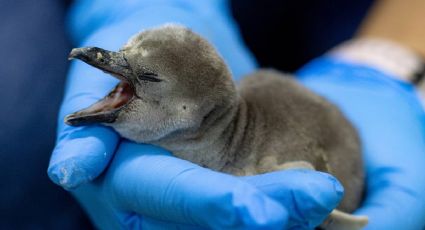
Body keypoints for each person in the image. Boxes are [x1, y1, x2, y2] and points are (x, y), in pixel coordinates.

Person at [1, 0, 424, 229]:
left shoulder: (263, 167)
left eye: (143, 75)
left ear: (187, 112)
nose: (101, 61)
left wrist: (382, 62)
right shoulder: (201, 106)